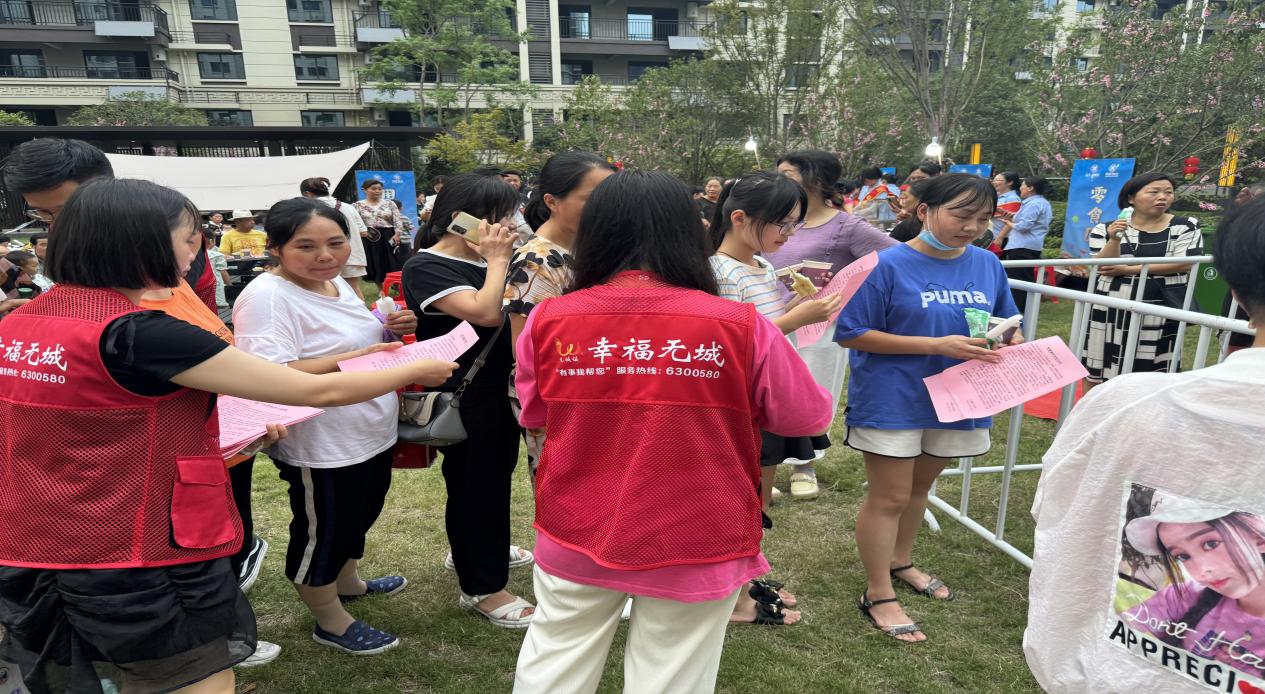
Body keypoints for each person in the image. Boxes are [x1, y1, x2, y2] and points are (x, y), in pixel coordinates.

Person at [0, 178, 455, 692]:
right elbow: (313, 390)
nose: (197, 253)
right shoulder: (144, 332)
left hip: (38, 535)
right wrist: (411, 368)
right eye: (188, 239)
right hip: (133, 542)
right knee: (193, 679)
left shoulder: (23, 321)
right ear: (143, 244)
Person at [511, 170, 832, 693]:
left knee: (555, 661)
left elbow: (534, 412)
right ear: (689, 231)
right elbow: (805, 417)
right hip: (699, 529)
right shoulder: (739, 324)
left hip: (576, 522)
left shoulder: (549, 318)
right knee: (672, 675)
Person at [1025, 196, 1265, 693]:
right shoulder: (1125, 401)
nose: (1205, 567)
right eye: (1189, 552)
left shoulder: (1126, 404)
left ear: (1236, 292)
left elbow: (1056, 508)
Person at [835, 173, 1022, 643]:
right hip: (893, 397)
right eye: (961, 215)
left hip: (959, 397)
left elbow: (1004, 319)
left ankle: (901, 562)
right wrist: (936, 344)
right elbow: (852, 332)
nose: (972, 227)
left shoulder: (987, 263)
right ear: (924, 211)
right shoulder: (883, 265)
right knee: (890, 496)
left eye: (984, 218)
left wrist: (1014, 339)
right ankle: (878, 591)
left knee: (919, 489)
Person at [232, 197, 423, 655]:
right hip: (322, 441)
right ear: (274, 247)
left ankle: (348, 581)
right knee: (325, 532)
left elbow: (359, 338)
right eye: (306, 246)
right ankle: (330, 619)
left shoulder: (334, 282)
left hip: (367, 428)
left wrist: (391, 329)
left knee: (360, 513)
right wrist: (358, 357)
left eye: (336, 243)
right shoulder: (267, 298)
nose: (325, 256)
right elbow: (268, 375)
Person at [709, 171, 844, 627]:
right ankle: (734, 595)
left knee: (756, 501)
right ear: (740, 218)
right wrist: (796, 318)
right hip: (743, 402)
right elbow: (735, 344)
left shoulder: (761, 266)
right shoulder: (719, 272)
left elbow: (764, 323)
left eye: (795, 224)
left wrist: (801, 306)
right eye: (782, 224)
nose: (789, 235)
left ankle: (745, 580)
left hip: (769, 394)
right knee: (743, 499)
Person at [402, 173, 535, 629]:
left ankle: (479, 551)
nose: (510, 226)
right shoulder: (427, 265)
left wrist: (496, 259)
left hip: (502, 387)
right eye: (500, 216)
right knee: (475, 484)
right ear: (462, 219)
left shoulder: (487, 261)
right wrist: (497, 259)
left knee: (493, 477)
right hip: (467, 392)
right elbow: (486, 311)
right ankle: (482, 587)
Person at [768, 149, 899, 500]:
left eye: (788, 174)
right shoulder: (772, 218)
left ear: (816, 179)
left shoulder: (845, 225)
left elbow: (896, 257)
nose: (779, 180)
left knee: (812, 390)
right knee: (768, 392)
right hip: (770, 319)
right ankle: (764, 463)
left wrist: (849, 286)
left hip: (818, 327)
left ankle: (804, 464)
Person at [4, 138, 220, 313]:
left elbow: (165, 301)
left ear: (107, 189)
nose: (60, 224)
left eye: (68, 210)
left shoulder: (166, 228)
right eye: (43, 212)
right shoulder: (63, 228)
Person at [508, 152, 617, 487]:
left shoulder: (584, 250)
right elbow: (525, 351)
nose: (604, 209)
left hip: (592, 388)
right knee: (565, 490)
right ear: (552, 201)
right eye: (591, 199)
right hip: (558, 400)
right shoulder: (536, 261)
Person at [1082, 172, 1203, 391]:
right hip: (1110, 309)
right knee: (1099, 360)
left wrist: (1128, 269)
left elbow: (1185, 262)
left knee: (1154, 367)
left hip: (1160, 309)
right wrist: (1114, 239)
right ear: (1131, 198)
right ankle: (1094, 407)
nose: (1162, 197)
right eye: (1154, 192)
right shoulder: (1106, 228)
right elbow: (1102, 266)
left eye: (1168, 192)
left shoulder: (1185, 226)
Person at [300, 176, 369, 301]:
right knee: (354, 289)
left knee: (325, 291)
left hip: (323, 257)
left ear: (307, 193)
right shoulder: (349, 207)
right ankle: (362, 313)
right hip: (352, 255)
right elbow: (364, 232)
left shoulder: (309, 210)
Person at [996, 175, 1054, 311]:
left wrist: (1009, 223)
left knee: (1019, 280)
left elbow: (1023, 226)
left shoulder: (1033, 204)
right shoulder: (1040, 202)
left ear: (1030, 188)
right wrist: (1008, 215)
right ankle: (1022, 308)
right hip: (1029, 246)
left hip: (1022, 246)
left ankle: (1016, 309)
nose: (1020, 188)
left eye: (1023, 185)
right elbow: (1026, 221)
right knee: (1022, 278)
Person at [354, 179, 404, 287]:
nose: (377, 191)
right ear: (365, 190)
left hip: (388, 235)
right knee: (375, 261)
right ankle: (380, 288)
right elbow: (355, 222)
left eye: (380, 189)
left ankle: (397, 285)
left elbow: (397, 219)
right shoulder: (357, 205)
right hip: (369, 237)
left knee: (392, 260)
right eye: (374, 189)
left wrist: (397, 234)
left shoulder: (390, 203)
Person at [986, 171, 1022, 249]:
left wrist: (1000, 238)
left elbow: (1011, 220)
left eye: (997, 180)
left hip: (999, 238)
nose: (994, 182)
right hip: (990, 237)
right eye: (994, 180)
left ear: (1009, 182)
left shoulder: (1013, 198)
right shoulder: (996, 196)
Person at [205, 229, 233, 324]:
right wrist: (229, 284)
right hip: (215, 285)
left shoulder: (193, 254)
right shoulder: (217, 255)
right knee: (219, 308)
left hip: (199, 286)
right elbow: (223, 272)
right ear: (211, 241)